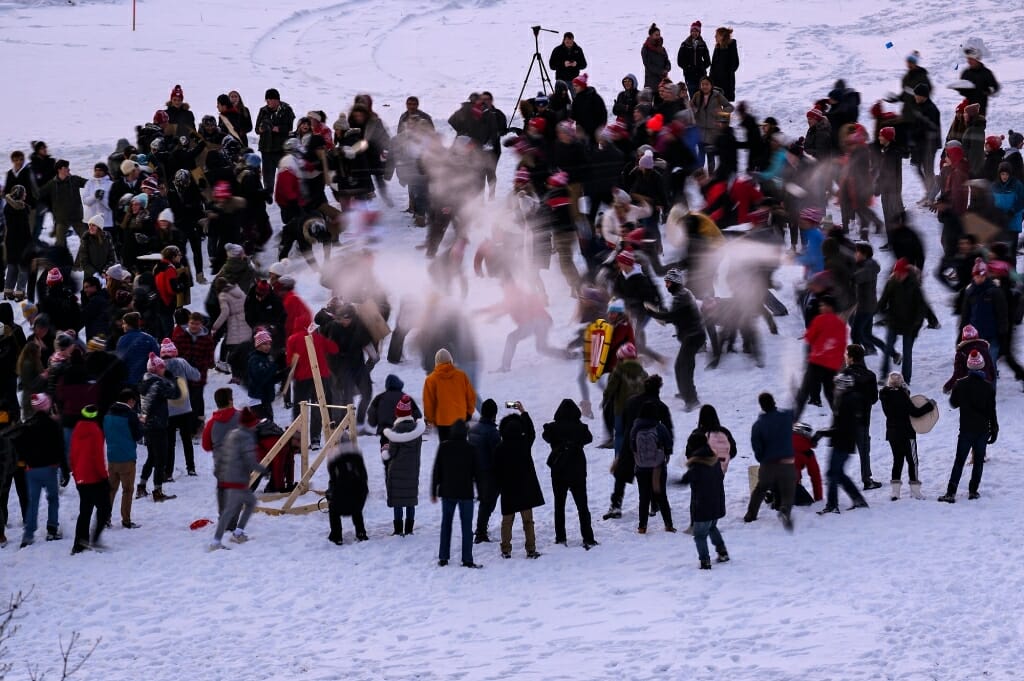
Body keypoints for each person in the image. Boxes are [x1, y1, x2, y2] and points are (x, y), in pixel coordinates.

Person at [938, 351, 997, 503]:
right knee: (978, 461)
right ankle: (973, 491)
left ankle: (951, 493)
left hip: (966, 429)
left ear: (969, 366)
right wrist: (994, 428)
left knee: (959, 460)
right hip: (983, 430)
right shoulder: (988, 387)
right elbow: (992, 410)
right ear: (982, 366)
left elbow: (953, 403)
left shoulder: (961, 384)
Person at [645, 269, 705, 411]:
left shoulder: (681, 297)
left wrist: (653, 313)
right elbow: (674, 315)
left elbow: (672, 316)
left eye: (668, 282)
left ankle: (692, 400)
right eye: (665, 282)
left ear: (676, 283)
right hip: (693, 336)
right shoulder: (683, 293)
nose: (666, 285)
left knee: (681, 367)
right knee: (687, 366)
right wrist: (660, 313)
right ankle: (687, 392)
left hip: (693, 336)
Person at [13, 393, 67, 548]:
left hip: (31, 469)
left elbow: (19, 444)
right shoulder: (53, 425)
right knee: (53, 499)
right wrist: (65, 468)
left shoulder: (28, 425)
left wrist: (25, 459)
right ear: (47, 406)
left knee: (32, 502)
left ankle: (28, 535)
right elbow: (60, 447)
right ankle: (52, 530)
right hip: (50, 468)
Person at [209, 408, 268, 550]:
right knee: (229, 511)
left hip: (230, 477)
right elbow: (250, 461)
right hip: (237, 479)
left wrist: (220, 472)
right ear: (249, 425)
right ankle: (216, 541)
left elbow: (224, 454)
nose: (255, 426)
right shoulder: (246, 438)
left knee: (250, 502)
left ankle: (238, 532)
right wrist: (264, 470)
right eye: (254, 424)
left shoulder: (233, 434)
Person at [542, 399, 597, 549]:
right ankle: (588, 537)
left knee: (559, 506)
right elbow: (589, 439)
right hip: (578, 471)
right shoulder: (580, 428)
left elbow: (545, 437)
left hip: (558, 471)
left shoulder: (552, 428)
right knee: (582, 506)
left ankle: (561, 537)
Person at [816, 372, 870, 514]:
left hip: (842, 443)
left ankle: (832, 505)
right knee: (838, 473)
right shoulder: (849, 399)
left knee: (832, 473)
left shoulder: (846, 402)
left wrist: (823, 433)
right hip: (845, 442)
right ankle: (858, 499)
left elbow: (841, 427)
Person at [495, 402, 543, 559]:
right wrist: (523, 412)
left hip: (508, 490)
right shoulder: (525, 444)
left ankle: (506, 549)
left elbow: (495, 469)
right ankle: (531, 549)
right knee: (528, 521)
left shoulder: (500, 448)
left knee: (507, 521)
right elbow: (531, 432)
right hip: (525, 489)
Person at [879, 372, 934, 501]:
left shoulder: (884, 395)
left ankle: (895, 492)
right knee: (912, 461)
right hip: (907, 433)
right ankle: (915, 491)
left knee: (897, 460)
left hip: (892, 433)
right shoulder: (902, 395)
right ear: (901, 383)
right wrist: (930, 405)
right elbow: (916, 413)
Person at [745, 392, 795, 529]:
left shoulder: (758, 425)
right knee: (788, 490)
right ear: (774, 402)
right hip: (788, 462)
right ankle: (785, 508)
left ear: (761, 406)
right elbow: (795, 409)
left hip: (769, 463)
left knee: (761, 489)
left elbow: (757, 447)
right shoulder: (786, 416)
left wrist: (762, 459)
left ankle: (751, 514)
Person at [136, 352, 181, 502]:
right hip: (158, 425)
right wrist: (172, 379)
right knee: (161, 458)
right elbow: (175, 394)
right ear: (155, 369)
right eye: (162, 367)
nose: (164, 369)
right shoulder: (158, 383)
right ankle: (157, 491)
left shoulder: (145, 381)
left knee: (151, 456)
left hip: (148, 425)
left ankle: (141, 486)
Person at [836, 345, 881, 490]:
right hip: (863, 419)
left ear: (850, 358)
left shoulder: (844, 375)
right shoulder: (871, 375)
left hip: (845, 420)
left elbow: (837, 398)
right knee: (864, 451)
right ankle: (867, 479)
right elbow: (874, 399)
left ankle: (836, 478)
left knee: (841, 451)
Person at [681, 431, 728, 569]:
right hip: (716, 503)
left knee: (700, 534)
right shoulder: (714, 460)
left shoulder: (697, 464)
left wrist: (673, 482)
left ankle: (705, 561)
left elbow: (686, 479)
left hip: (703, 505)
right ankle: (722, 552)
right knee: (712, 527)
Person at [794, 295, 847, 419]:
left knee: (804, 392)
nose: (821, 307)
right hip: (831, 365)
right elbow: (842, 344)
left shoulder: (820, 319)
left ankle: (794, 420)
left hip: (817, 362)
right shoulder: (840, 324)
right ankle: (841, 420)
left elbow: (809, 337)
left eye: (823, 305)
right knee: (830, 394)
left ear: (830, 307)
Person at [69, 405, 110, 554]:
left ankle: (79, 543)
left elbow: (72, 455)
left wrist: (76, 475)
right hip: (95, 478)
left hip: (81, 479)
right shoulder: (95, 431)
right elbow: (97, 457)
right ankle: (95, 538)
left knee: (85, 511)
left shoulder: (76, 430)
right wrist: (104, 477)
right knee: (104, 508)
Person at [382, 395, 425, 536]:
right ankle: (409, 529)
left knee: (398, 501)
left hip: (397, 471)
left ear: (398, 414)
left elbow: (391, 453)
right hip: (412, 470)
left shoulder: (396, 431)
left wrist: (385, 449)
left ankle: (398, 529)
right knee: (410, 500)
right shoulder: (416, 430)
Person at [629, 401, 674, 533]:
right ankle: (668, 525)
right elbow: (669, 444)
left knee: (644, 497)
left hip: (641, 467)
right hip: (657, 468)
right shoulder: (659, 427)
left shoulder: (635, 428)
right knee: (661, 496)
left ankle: (642, 527)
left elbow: (632, 446)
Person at [158, 338, 200, 478]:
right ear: (174, 352)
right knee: (187, 439)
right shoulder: (181, 362)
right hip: (184, 407)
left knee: (170, 443)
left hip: (168, 410)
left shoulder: (159, 366)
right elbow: (196, 375)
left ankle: (168, 472)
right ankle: (191, 468)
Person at [104, 388, 142, 529]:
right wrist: (141, 424)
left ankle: (105, 518)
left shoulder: (108, 413)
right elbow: (137, 436)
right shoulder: (130, 415)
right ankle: (126, 520)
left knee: (111, 489)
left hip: (112, 457)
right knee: (127, 489)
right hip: (127, 457)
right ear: (130, 401)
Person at [422, 348, 476, 442]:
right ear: (451, 360)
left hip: (442, 422)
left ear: (436, 362)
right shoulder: (461, 376)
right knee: (460, 448)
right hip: (460, 420)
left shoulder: (431, 380)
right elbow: (471, 397)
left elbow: (428, 403)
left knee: (446, 450)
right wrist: (468, 413)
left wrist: (431, 419)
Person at [468, 398, 500, 543]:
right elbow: (497, 454)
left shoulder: (473, 429)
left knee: (484, 501)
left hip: (477, 471)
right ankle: (481, 532)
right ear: (494, 414)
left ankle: (481, 528)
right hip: (490, 472)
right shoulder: (493, 433)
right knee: (488, 502)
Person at [326, 439, 369, 545]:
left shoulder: (334, 460)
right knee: (357, 511)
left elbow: (333, 479)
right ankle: (361, 533)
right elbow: (364, 478)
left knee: (333, 511)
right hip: (357, 500)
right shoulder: (358, 458)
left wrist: (330, 494)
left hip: (341, 500)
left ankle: (337, 536)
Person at [255, 88, 296, 193]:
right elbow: (256, 129)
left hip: (281, 148)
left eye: (270, 99)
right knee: (268, 175)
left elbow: (290, 128)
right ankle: (268, 194)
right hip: (266, 148)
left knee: (285, 173)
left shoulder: (286, 109)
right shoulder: (263, 110)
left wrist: (277, 128)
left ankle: (287, 193)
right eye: (266, 99)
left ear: (276, 100)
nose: (268, 101)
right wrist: (262, 129)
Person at [677, 20, 710, 97]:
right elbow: (680, 60)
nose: (694, 33)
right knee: (693, 96)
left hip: (701, 75)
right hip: (689, 75)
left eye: (696, 31)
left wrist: (702, 68)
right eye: (693, 31)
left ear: (699, 32)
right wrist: (687, 68)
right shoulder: (685, 44)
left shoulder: (702, 44)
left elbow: (708, 60)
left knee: (703, 96)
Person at [709, 27, 739, 102]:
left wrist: (724, 73)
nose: (715, 36)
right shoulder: (717, 47)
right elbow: (713, 66)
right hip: (715, 84)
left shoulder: (731, 47)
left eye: (717, 35)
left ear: (722, 36)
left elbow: (735, 65)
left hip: (727, 84)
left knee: (725, 109)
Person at [641, 24, 672, 91]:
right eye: (656, 35)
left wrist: (667, 68)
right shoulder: (646, 49)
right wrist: (661, 71)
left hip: (663, 82)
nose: (658, 36)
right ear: (651, 35)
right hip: (651, 82)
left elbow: (667, 61)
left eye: (659, 34)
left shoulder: (662, 49)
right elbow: (648, 65)